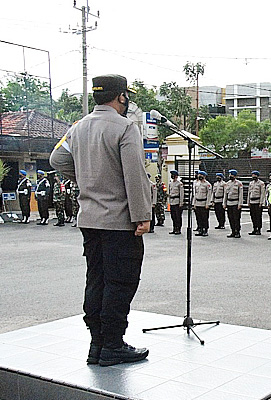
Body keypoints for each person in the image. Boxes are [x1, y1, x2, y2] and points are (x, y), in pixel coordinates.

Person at [50, 74, 151, 366]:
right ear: (121, 97)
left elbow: (57, 160)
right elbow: (134, 175)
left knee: (97, 279)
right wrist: (142, 215)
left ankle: (97, 344)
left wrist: (85, 179)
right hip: (119, 221)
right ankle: (113, 345)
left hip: (89, 219)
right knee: (121, 281)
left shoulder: (78, 128)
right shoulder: (125, 127)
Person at [224, 169, 244, 238]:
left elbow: (240, 194)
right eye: (229, 174)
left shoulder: (239, 183)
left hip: (236, 203)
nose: (230, 176)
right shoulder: (227, 183)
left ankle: (237, 231)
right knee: (230, 218)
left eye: (231, 175)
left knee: (236, 218)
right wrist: (224, 203)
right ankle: (232, 231)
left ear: (235, 176)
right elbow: (225, 194)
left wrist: (240, 204)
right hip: (229, 203)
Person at [193, 171, 212, 237]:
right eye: (199, 175)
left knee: (204, 217)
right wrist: (194, 203)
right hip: (198, 202)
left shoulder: (207, 184)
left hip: (204, 203)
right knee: (198, 217)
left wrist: (208, 204)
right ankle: (200, 229)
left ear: (204, 176)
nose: (199, 176)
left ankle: (205, 230)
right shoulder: (197, 184)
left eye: (201, 175)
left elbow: (209, 195)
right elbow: (195, 194)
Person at [248, 170, 265, 235]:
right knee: (253, 216)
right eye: (252, 175)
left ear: (257, 176)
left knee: (258, 216)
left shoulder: (261, 183)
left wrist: (261, 202)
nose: (253, 176)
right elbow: (249, 193)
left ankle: (259, 229)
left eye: (254, 175)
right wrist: (248, 201)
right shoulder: (251, 183)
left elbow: (262, 193)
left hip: (257, 202)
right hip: (252, 201)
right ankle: (254, 228)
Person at [168, 170, 184, 235]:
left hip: (177, 201)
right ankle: (174, 228)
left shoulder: (179, 184)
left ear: (176, 176)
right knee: (173, 216)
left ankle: (178, 228)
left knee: (178, 216)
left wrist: (181, 203)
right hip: (172, 201)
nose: (172, 176)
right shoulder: (170, 183)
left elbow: (181, 194)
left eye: (173, 175)